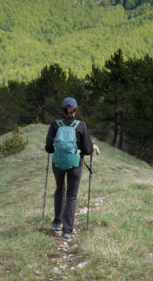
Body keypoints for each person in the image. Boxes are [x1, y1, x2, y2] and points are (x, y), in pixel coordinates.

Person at [44, 96, 95, 239]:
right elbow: (87, 149)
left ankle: (57, 222)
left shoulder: (55, 124)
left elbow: (49, 148)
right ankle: (67, 230)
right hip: (75, 163)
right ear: (75, 110)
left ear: (62, 110)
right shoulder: (81, 125)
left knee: (60, 189)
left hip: (58, 163)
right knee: (72, 195)